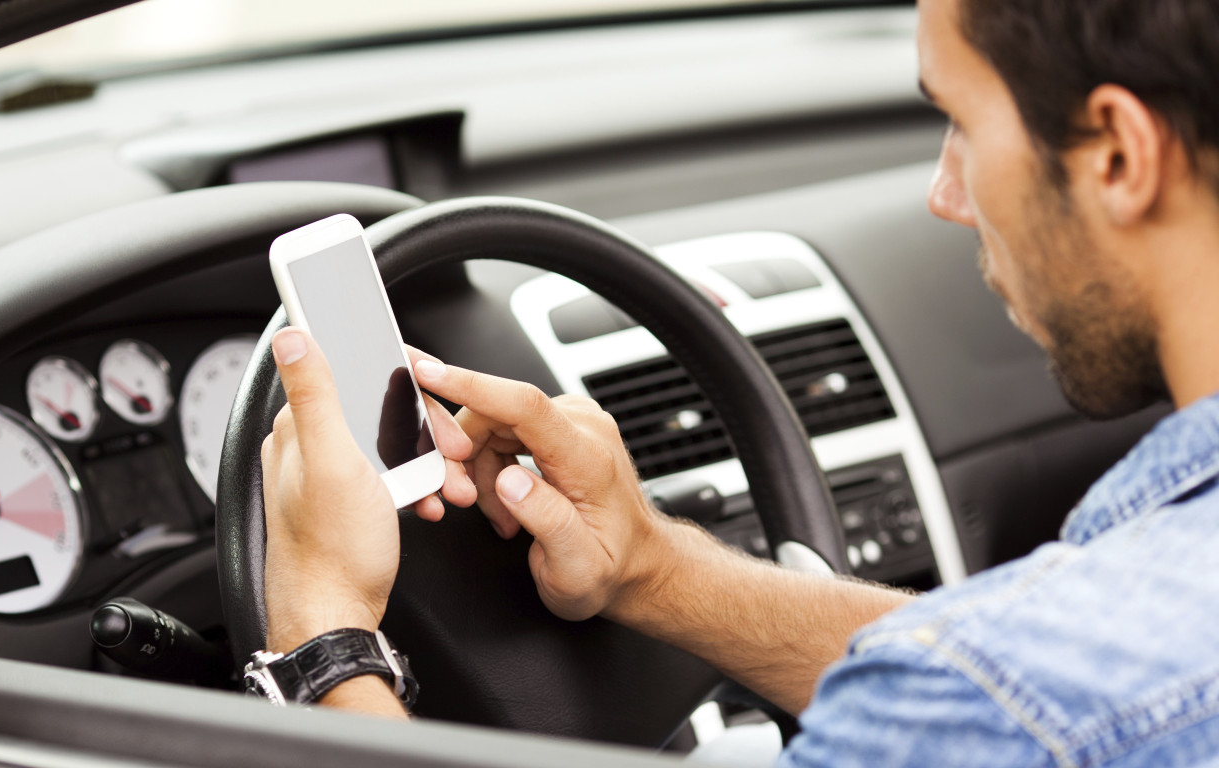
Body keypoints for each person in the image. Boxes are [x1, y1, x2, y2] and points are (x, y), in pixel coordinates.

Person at [259, 0, 1219, 763]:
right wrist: (652, 567)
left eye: (960, 123)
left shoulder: (998, 705)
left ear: (1119, 155)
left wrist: (324, 632)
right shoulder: (1062, 669)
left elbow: (1004, 697)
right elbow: (1023, 669)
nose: (945, 193)